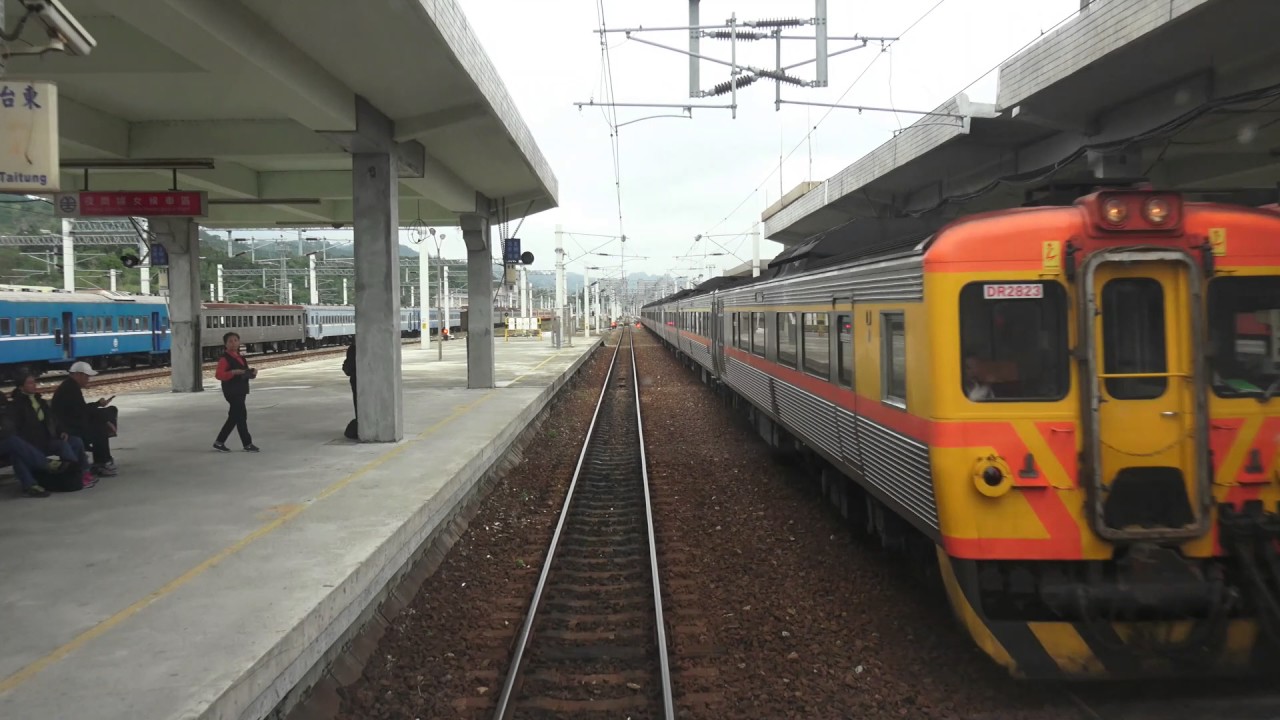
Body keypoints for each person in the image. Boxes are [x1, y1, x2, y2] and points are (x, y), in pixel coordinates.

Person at [12, 372, 96, 488]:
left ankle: (83, 472)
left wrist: (61, 431)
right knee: (63, 445)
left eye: (34, 382)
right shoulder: (16, 405)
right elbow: (16, 428)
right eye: (30, 383)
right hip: (31, 442)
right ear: (21, 387)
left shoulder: (39, 400)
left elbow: (53, 419)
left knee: (75, 441)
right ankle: (73, 476)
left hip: (46, 439)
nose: (34, 385)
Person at [51, 361, 118, 476]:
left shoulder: (70, 386)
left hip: (72, 422)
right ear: (78, 375)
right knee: (99, 427)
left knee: (109, 412)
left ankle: (104, 459)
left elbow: (81, 409)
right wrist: (105, 420)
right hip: (68, 427)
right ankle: (101, 463)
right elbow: (81, 412)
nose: (88, 379)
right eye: (87, 376)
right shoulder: (70, 389)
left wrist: (98, 404)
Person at [213, 332, 260, 452]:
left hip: (241, 390)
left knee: (234, 417)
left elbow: (245, 374)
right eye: (230, 341)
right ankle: (247, 444)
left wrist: (252, 373)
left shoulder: (241, 358)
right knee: (241, 417)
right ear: (225, 344)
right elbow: (219, 375)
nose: (233, 343)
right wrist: (232, 373)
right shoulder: (224, 359)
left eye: (235, 340)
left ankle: (219, 442)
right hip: (232, 392)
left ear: (239, 342)